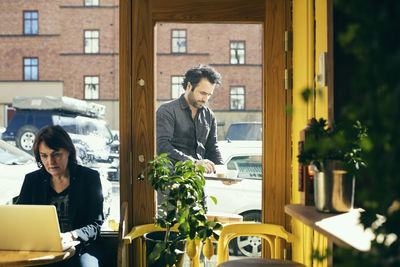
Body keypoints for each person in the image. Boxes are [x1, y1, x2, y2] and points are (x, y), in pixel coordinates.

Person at [17, 125, 104, 267]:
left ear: (68, 152)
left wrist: (71, 235)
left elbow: (96, 224)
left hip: (82, 247)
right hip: (42, 248)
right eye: (44, 156)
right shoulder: (32, 180)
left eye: (56, 154)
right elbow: (20, 218)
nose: (50, 162)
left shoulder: (89, 178)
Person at [156, 64, 223, 174]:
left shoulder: (209, 115)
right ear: (189, 86)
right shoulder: (167, 111)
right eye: (202, 93)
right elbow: (162, 146)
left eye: (209, 95)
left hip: (198, 180)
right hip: (171, 180)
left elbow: (212, 148)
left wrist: (222, 171)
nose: (205, 99)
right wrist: (193, 163)